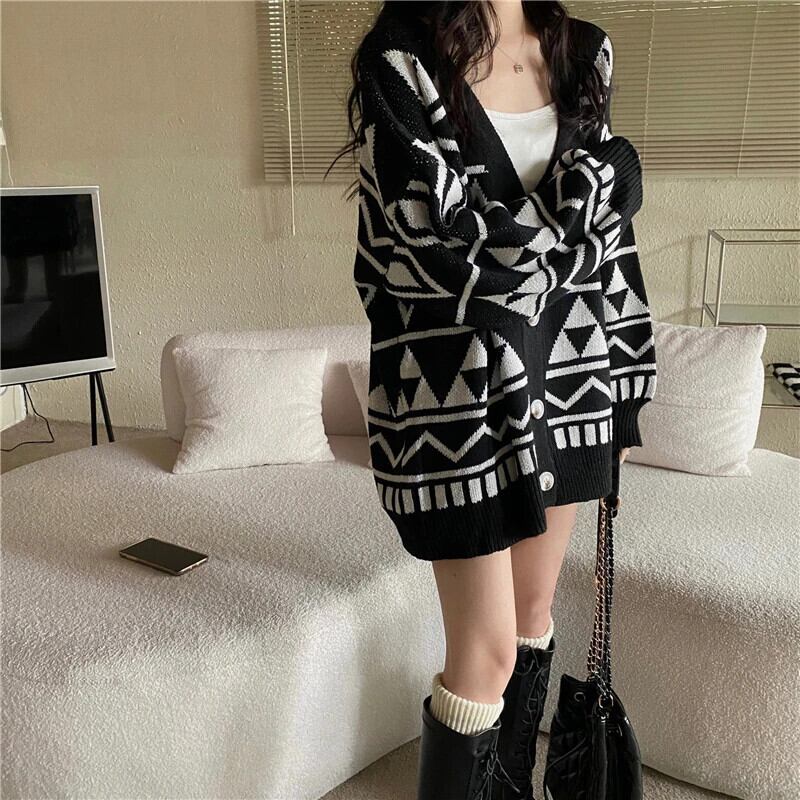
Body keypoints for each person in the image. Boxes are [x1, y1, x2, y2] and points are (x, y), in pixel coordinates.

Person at [334, 1, 656, 797]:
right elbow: (435, 245)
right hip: (452, 401)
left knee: (534, 615)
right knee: (484, 654)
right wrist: (594, 190)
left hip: (572, 382)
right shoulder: (401, 61)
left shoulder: (583, 53)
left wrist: (622, 389)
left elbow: (612, 253)